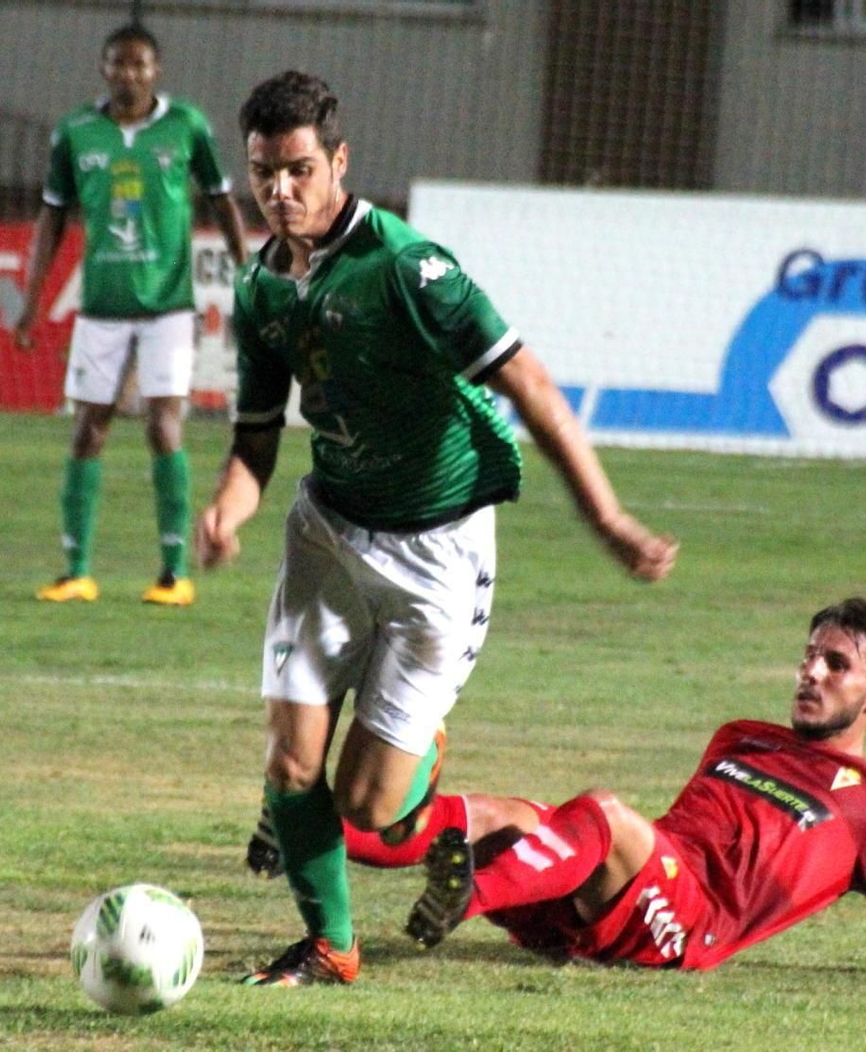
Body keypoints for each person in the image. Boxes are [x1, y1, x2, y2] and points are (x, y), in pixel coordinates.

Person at [195, 70, 678, 987]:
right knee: (291, 762)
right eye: (263, 173)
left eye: (299, 170)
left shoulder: (413, 269)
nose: (281, 192)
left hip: (438, 552)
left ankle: (421, 774)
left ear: (338, 162)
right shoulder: (262, 290)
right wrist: (228, 507)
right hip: (329, 532)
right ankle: (332, 946)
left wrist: (607, 515)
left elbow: (529, 384)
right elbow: (256, 441)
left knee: (371, 805)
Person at [403, 597, 866, 973]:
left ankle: (465, 894)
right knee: (506, 814)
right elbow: (679, 844)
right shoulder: (740, 737)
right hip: (627, 902)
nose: (812, 673)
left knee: (606, 815)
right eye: (809, 656)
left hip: (689, 931)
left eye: (836, 665)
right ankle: (322, 830)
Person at [17, 22, 249, 606]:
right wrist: (32, 300)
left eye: (140, 65)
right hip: (101, 308)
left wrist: (249, 269)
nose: (129, 74)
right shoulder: (76, 132)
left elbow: (221, 200)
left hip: (169, 305)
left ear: (157, 71)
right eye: (119, 64)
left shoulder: (186, 126)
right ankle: (77, 571)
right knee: (88, 430)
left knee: (162, 424)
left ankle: (174, 574)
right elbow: (52, 218)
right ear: (103, 68)